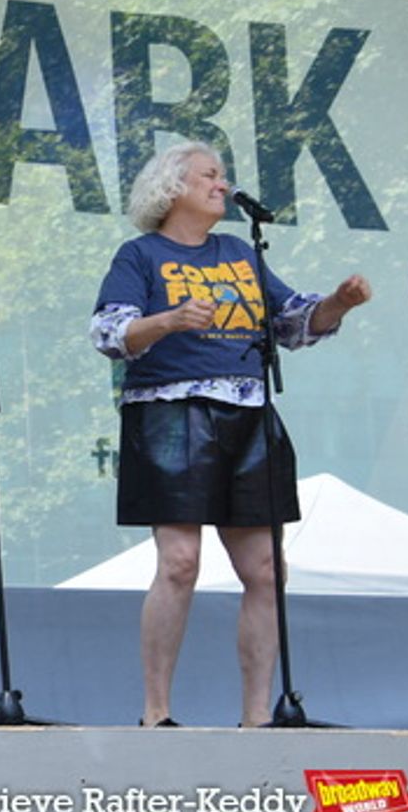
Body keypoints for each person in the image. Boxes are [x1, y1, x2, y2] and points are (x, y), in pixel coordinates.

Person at [91, 140, 370, 727]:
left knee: (268, 569)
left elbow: (293, 322)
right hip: (171, 412)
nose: (222, 184)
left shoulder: (240, 253)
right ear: (173, 188)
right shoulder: (141, 254)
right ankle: (156, 713)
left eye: (222, 176)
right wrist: (169, 319)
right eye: (209, 176)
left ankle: (256, 719)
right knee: (179, 562)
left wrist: (338, 304)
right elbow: (109, 333)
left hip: (247, 412)